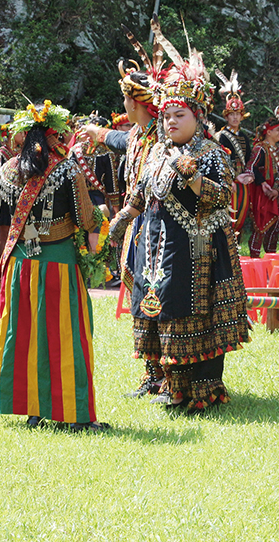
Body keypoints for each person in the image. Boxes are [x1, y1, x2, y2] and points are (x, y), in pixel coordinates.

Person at [108, 27, 251, 412]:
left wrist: (194, 178)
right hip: (155, 248)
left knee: (187, 313)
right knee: (154, 309)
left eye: (179, 115)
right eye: (167, 115)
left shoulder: (210, 152)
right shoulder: (156, 151)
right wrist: (123, 218)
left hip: (195, 251)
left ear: (197, 116)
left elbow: (223, 198)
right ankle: (164, 382)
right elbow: (141, 190)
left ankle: (200, 388)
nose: (171, 122)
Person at [0, 100, 107, 432]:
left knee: (25, 335)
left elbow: (2, 223)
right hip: (58, 263)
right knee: (66, 336)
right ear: (54, 135)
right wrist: (103, 222)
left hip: (19, 266)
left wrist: (9, 259)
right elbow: (86, 218)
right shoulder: (67, 168)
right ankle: (75, 415)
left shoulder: (8, 169)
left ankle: (32, 411)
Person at [82, 36, 166, 398]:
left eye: (126, 99)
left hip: (160, 229)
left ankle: (168, 375)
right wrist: (98, 134)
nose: (123, 104)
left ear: (136, 102)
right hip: (136, 230)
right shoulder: (137, 134)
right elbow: (120, 141)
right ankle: (150, 374)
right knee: (137, 299)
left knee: (158, 298)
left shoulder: (163, 137)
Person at [214, 70, 253, 236]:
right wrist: (231, 179)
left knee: (241, 218)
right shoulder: (221, 136)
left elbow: (249, 158)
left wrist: (249, 173)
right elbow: (221, 160)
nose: (235, 118)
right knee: (229, 219)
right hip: (230, 183)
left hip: (243, 182)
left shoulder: (244, 136)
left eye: (238, 114)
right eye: (232, 115)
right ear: (227, 116)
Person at [247, 114, 279, 256]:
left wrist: (278, 188)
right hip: (263, 195)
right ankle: (254, 261)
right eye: (278, 130)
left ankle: (270, 260)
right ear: (269, 132)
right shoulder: (260, 149)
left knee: (274, 230)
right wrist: (262, 183)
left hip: (277, 193)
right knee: (260, 228)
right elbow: (251, 167)